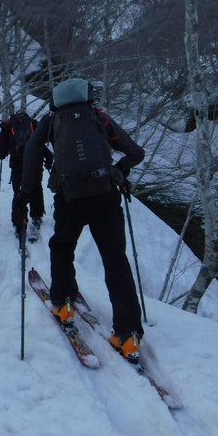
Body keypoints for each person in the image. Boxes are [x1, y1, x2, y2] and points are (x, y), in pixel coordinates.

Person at [19, 78, 146, 362]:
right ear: (86, 97)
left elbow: (32, 153)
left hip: (70, 198)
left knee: (62, 247)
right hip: (106, 196)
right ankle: (128, 336)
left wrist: (26, 192)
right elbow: (135, 152)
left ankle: (62, 303)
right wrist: (119, 169)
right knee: (116, 260)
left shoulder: (50, 121)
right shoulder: (98, 116)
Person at [0, 111, 53, 240]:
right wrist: (48, 159)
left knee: (18, 191)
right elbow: (40, 144)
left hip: (17, 164)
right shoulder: (34, 125)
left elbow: (2, 151)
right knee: (36, 188)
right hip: (35, 161)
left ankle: (19, 222)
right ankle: (36, 216)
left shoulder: (8, 127)